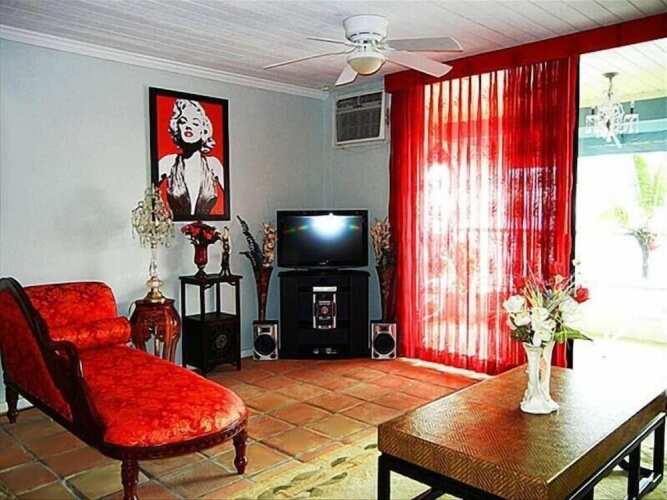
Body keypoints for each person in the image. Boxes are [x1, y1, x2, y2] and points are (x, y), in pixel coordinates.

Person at [157, 99, 225, 218]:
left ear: (203, 130)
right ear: (177, 128)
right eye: (183, 122)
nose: (188, 126)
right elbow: (147, 195)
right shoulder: (168, 162)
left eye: (195, 123)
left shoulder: (213, 164)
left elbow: (234, 197)